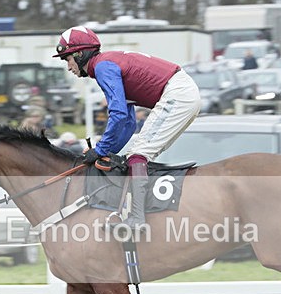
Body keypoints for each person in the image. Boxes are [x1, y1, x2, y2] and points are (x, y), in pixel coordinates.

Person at [54, 25, 201, 233]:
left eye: (67, 59)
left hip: (178, 94)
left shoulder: (102, 67)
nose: (68, 66)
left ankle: (137, 219)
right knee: (136, 155)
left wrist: (101, 149)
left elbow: (119, 114)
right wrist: (109, 151)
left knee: (138, 155)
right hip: (182, 92)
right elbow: (129, 123)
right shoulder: (106, 64)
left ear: (79, 54)